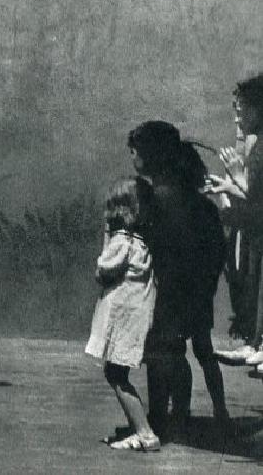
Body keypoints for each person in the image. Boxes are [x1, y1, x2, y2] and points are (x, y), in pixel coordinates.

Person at [128, 120, 230, 439]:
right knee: (183, 352)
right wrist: (206, 288)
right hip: (195, 292)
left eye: (135, 151)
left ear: (150, 155)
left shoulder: (154, 200)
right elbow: (216, 251)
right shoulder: (198, 203)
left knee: (160, 354)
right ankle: (183, 414)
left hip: (165, 293)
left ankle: (160, 416)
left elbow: (149, 250)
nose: (132, 157)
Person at [85, 177, 160, 452]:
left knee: (115, 374)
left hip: (123, 317)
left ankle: (145, 432)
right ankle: (139, 427)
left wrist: (107, 235)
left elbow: (102, 271)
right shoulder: (144, 243)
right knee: (118, 371)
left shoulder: (121, 241)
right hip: (138, 315)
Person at [205, 74, 263, 371]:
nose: (238, 114)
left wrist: (234, 177)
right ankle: (255, 342)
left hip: (256, 226)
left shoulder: (258, 144)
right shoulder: (254, 140)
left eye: (243, 107)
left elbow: (253, 193)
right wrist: (229, 185)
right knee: (251, 284)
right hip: (253, 228)